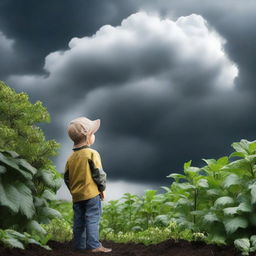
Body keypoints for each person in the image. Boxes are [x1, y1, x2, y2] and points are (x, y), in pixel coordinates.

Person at [64, 116, 112, 253]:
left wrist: (74, 190)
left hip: (77, 196)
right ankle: (94, 246)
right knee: (92, 219)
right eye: (92, 133)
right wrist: (102, 189)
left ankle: (79, 246)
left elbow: (67, 178)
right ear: (88, 137)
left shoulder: (70, 158)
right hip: (91, 194)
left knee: (78, 221)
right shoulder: (92, 153)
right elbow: (99, 174)